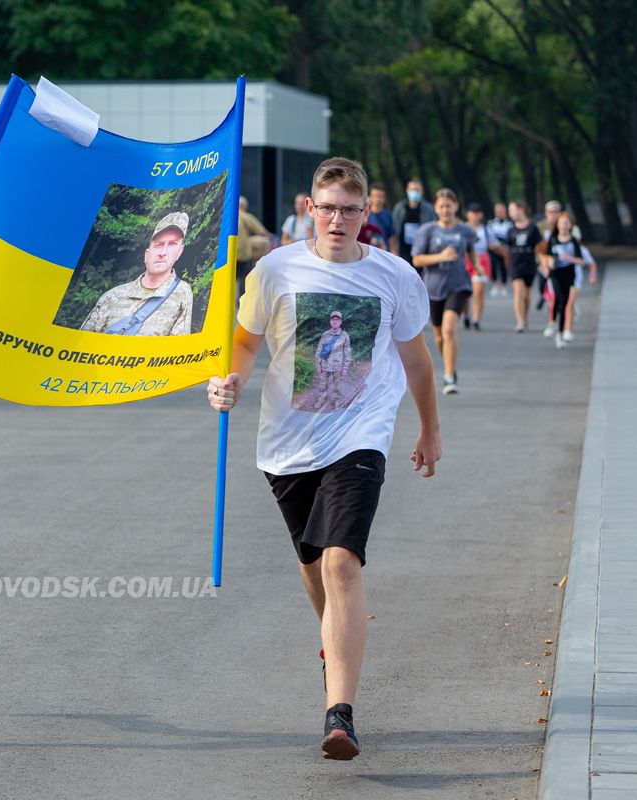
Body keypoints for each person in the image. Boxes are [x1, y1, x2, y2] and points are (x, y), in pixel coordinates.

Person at [207, 157, 441, 762]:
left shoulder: (395, 276)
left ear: (368, 214)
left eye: (350, 209)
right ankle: (333, 638)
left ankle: (341, 714)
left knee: (341, 564)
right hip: (286, 443)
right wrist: (227, 382)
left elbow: (416, 361)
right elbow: (244, 342)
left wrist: (429, 429)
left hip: (360, 435)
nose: (338, 219)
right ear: (309, 208)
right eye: (328, 207)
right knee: (314, 568)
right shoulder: (274, 270)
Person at [80, 212, 193, 336]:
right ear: (146, 254)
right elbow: (81, 344)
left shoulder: (181, 294)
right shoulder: (111, 297)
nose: (163, 252)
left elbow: (175, 351)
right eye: (158, 245)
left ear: (180, 252)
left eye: (172, 244)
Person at [411, 189, 477, 396]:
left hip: (459, 285)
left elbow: (471, 250)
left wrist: (477, 268)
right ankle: (450, 364)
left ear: (456, 207)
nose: (446, 209)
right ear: (436, 208)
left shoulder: (466, 230)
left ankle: (449, 376)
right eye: (441, 206)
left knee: (449, 329)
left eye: (449, 205)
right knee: (439, 335)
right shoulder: (427, 231)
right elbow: (417, 259)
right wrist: (440, 257)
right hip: (432, 288)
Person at [538, 210, 596, 348]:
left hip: (570, 275)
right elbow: (542, 254)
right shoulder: (552, 240)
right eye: (561, 223)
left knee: (565, 303)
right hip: (555, 274)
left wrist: (569, 259)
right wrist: (547, 263)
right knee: (558, 299)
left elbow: (584, 261)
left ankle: (562, 331)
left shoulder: (574, 242)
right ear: (557, 225)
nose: (564, 226)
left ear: (571, 226)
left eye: (566, 223)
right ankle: (553, 323)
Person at [505, 202, 540, 332]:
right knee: (518, 290)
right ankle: (519, 321)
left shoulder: (533, 228)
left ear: (520, 209)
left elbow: (539, 247)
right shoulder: (511, 230)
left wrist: (542, 262)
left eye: (511, 210)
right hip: (515, 264)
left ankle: (524, 318)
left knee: (526, 295)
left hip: (529, 264)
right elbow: (507, 249)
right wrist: (506, 265)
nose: (510, 213)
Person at [391, 178, 435, 270]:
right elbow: (394, 231)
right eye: (412, 189)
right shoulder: (399, 208)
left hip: (422, 252)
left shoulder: (428, 209)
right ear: (407, 191)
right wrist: (393, 250)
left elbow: (433, 230)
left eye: (417, 189)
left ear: (422, 191)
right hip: (403, 252)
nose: (414, 192)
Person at [464, 202, 494, 330]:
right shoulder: (461, 229)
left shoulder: (486, 230)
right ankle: (466, 315)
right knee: (465, 293)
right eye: (472, 213)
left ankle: (476, 319)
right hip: (464, 260)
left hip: (481, 261)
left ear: (481, 215)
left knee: (478, 291)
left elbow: (495, 245)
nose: (475, 216)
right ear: (468, 214)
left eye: (477, 213)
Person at [314, 311, 352, 411]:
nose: (335, 322)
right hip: (325, 364)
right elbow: (319, 349)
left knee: (337, 386)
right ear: (330, 321)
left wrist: (345, 367)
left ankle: (337, 400)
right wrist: (318, 364)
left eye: (337, 320)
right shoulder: (325, 335)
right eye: (333, 319)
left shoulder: (344, 336)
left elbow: (347, 352)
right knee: (322, 384)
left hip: (337, 366)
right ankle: (322, 398)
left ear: (341, 322)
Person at [237, 196, 272, 298]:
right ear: (243, 206)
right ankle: (242, 301)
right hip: (243, 254)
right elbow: (261, 231)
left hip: (228, 253)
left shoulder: (227, 215)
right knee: (244, 278)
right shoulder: (244, 215)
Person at [366, 183, 394, 252]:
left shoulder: (388, 215)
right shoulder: (365, 215)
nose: (378, 199)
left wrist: (393, 251)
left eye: (381, 196)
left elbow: (392, 236)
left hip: (385, 252)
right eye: (375, 196)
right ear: (370, 197)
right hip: (368, 252)